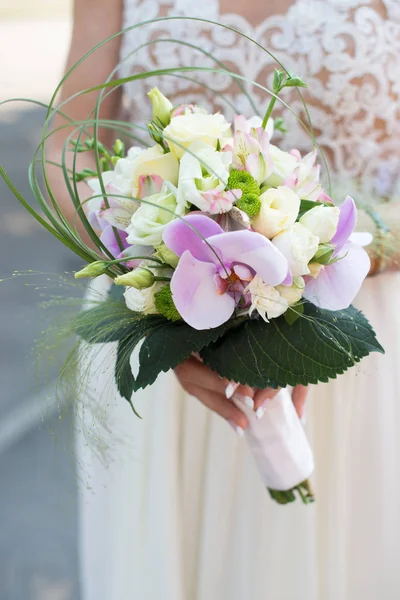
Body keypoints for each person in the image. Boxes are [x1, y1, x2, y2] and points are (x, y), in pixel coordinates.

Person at [48, 1, 400, 599]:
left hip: (362, 344)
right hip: (165, 353)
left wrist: (299, 259)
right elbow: (69, 139)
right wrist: (157, 281)